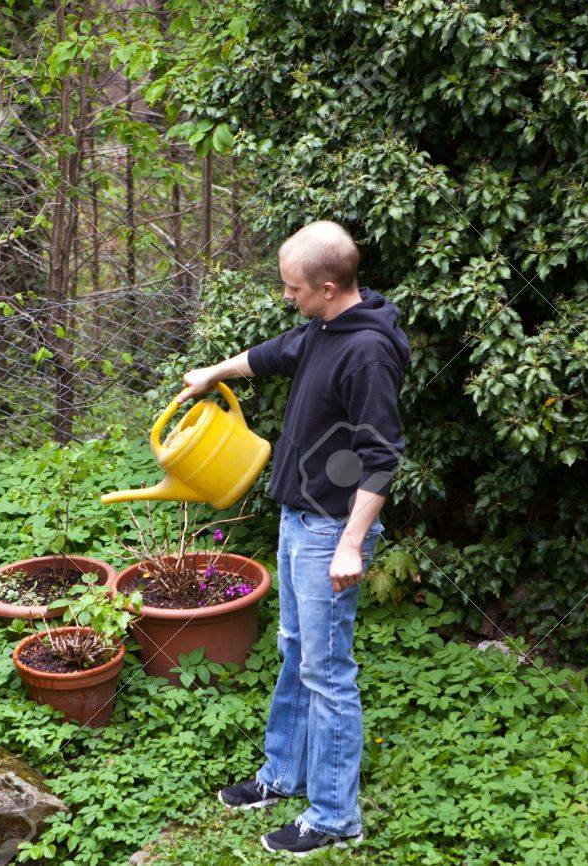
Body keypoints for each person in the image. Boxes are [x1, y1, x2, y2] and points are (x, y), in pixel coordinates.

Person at [177, 220, 408, 856]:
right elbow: (276, 352)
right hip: (297, 517)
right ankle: (284, 775)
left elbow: (382, 455)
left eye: (294, 289)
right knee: (297, 652)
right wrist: (210, 373)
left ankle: (336, 816)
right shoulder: (327, 328)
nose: (288, 297)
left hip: (330, 527)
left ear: (328, 287)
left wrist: (351, 544)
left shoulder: (368, 353)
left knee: (327, 671)